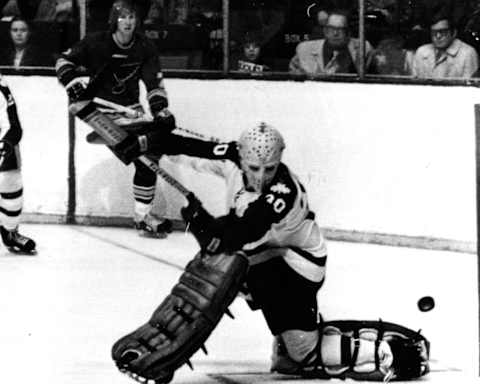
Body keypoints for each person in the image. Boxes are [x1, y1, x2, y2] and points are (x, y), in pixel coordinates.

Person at [110, 122, 430, 381]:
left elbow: (243, 232)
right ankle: (293, 344)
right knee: (286, 347)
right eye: (253, 168)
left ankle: (390, 354)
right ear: (241, 156)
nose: (261, 176)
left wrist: (199, 222)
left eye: (270, 168)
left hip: (296, 267)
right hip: (264, 259)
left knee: (304, 353)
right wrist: (143, 144)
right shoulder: (233, 155)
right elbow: (190, 147)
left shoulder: (283, 191)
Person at [55, 0, 175, 238]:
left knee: (150, 153)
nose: (128, 22)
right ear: (114, 20)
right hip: (97, 112)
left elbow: (154, 84)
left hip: (130, 112)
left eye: (132, 17)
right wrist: (71, 83)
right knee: (143, 157)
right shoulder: (95, 42)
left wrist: (161, 110)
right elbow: (62, 61)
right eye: (123, 17)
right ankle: (143, 219)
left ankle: (142, 217)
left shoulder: (145, 46)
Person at [0, 75, 36, 254]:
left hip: (1, 143)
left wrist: (4, 144)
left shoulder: (0, 86)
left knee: (11, 183)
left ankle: (10, 232)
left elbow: (13, 126)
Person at [289, 9, 373, 75]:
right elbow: (292, 77)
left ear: (348, 33)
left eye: (340, 29)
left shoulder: (363, 48)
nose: (335, 34)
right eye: (331, 29)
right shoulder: (304, 49)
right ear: (325, 31)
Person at [411, 14, 479, 78]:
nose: (438, 36)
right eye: (434, 32)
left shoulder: (467, 53)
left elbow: (470, 88)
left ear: (454, 33)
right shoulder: (422, 52)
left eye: (443, 32)